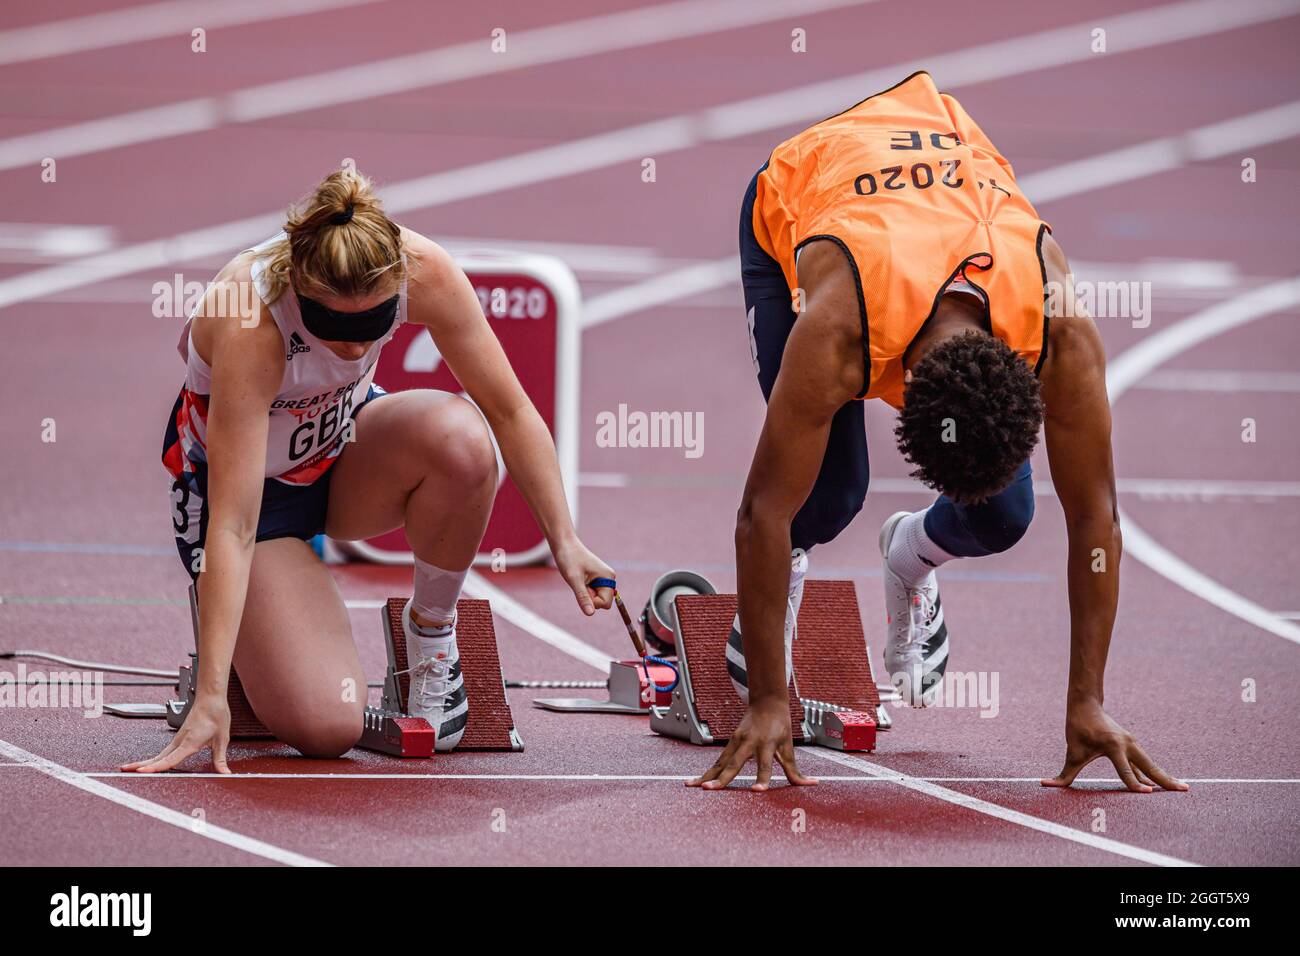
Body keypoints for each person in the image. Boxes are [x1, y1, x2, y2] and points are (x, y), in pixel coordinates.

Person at [691, 72, 1187, 794]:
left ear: (1025, 377)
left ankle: (910, 555)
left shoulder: (1060, 328)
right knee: (825, 497)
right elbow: (757, 513)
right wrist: (769, 699)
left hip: (929, 201)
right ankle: (785, 582)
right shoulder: (837, 332)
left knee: (1008, 515)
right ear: (899, 395)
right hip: (811, 188)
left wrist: (1087, 702)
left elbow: (1095, 517)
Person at [126, 170, 613, 774]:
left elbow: (511, 410)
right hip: (250, 501)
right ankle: (229, 633)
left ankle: (430, 635)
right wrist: (209, 699)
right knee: (328, 726)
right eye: (335, 329)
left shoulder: (421, 266)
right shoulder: (251, 317)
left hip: (347, 452)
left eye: (371, 325)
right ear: (299, 288)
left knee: (461, 439)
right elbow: (234, 526)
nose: (355, 349)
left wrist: (565, 539)